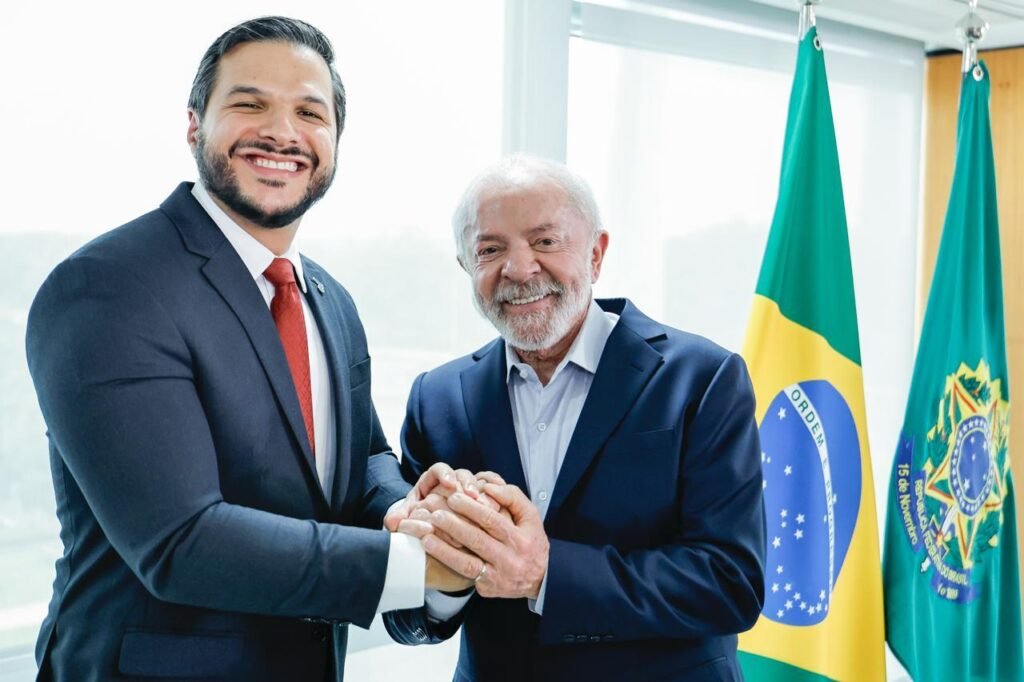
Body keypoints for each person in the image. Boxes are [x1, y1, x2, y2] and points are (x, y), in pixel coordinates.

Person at [25, 16, 472, 681]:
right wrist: (418, 564)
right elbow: (182, 542)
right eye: (249, 103)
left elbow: (363, 459)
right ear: (194, 125)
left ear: (334, 141)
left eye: (309, 113)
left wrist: (413, 516)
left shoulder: (328, 297)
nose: (282, 132)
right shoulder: (110, 287)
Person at [383, 156, 767, 681]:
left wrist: (545, 573)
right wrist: (445, 582)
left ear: (596, 254)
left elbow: (731, 584)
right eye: (490, 249)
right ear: (466, 267)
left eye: (545, 241)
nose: (519, 269)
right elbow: (408, 615)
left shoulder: (703, 378)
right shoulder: (437, 397)